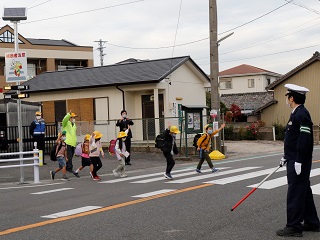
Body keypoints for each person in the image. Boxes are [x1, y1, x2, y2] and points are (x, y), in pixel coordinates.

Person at [276, 83, 320, 237]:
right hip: (294, 158)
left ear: (292, 98)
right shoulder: (297, 113)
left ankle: (294, 226)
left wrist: (299, 160)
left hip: (298, 161)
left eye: (288, 96)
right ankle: (312, 222)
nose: (287, 99)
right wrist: (286, 156)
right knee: (304, 190)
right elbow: (293, 139)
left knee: (295, 191)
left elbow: (305, 139)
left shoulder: (301, 114)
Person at [62, 110, 78, 176]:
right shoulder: (66, 123)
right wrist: (68, 114)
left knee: (70, 156)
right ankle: (69, 168)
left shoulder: (74, 125)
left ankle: (64, 166)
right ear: (70, 118)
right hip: (67, 142)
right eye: (73, 117)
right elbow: (64, 120)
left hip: (73, 143)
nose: (74, 119)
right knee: (69, 157)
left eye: (74, 118)